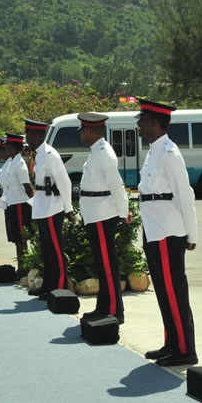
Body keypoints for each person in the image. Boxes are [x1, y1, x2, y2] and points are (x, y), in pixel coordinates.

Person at [136, 99, 199, 367]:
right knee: (163, 290)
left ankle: (185, 350)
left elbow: (185, 196)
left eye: (142, 119)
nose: (138, 124)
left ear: (155, 122)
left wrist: (192, 234)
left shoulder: (170, 153)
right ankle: (171, 343)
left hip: (167, 231)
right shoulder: (154, 151)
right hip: (154, 229)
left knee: (174, 290)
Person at [76, 112, 131, 324]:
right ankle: (104, 306)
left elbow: (116, 186)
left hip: (101, 214)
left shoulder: (104, 154)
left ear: (91, 131)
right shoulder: (96, 152)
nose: (81, 134)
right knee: (102, 263)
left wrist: (123, 211)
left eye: (83, 130)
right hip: (94, 213)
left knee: (108, 264)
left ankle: (114, 311)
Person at [27, 118, 74, 299]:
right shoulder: (38, 154)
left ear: (37, 135)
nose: (26, 138)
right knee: (46, 250)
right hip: (42, 206)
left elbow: (64, 182)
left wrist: (68, 207)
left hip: (53, 208)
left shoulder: (49, 154)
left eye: (28, 134)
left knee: (55, 249)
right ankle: (48, 286)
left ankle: (60, 288)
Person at [0, 133, 34, 277]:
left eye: (7, 145)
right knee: (15, 239)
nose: (5, 147)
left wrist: (35, 206)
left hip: (20, 204)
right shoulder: (10, 162)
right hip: (11, 203)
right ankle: (21, 267)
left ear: (13, 147)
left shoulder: (19, 164)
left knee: (21, 239)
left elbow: (28, 187)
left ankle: (23, 269)